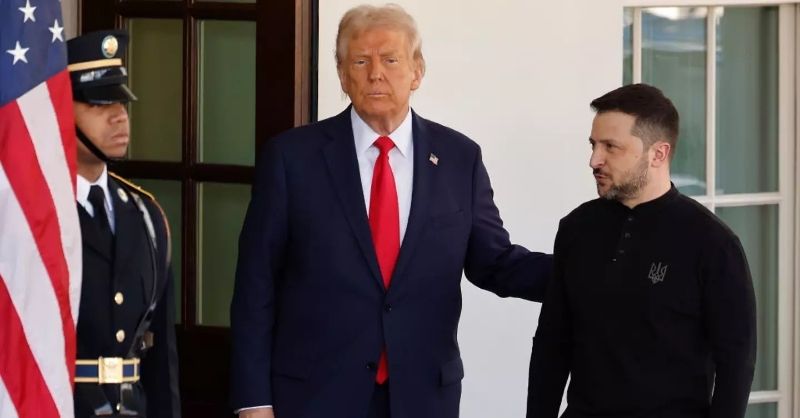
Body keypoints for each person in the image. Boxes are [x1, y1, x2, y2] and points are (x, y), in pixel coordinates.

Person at [230, 4, 552, 418]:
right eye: (360, 61)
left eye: (390, 59)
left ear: (417, 70)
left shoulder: (459, 158)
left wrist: (582, 273)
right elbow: (255, 285)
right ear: (342, 74)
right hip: (315, 395)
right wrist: (254, 400)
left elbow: (494, 262)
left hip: (422, 395)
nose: (375, 73)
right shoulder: (292, 158)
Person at [526, 83, 756, 418]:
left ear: (658, 154)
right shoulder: (576, 228)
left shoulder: (712, 242)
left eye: (611, 147)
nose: (594, 160)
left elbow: (736, 362)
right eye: (593, 145)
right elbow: (551, 342)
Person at [67, 30, 181, 418]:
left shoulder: (146, 214)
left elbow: (162, 358)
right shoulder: (34, 216)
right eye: (98, 105)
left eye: (121, 102)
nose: (118, 116)